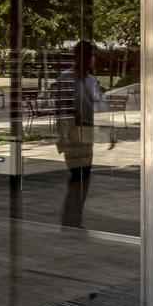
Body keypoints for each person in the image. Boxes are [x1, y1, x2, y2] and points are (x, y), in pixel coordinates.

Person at [56, 40, 104, 228]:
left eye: (90, 56)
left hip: (88, 132)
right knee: (77, 176)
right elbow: (63, 110)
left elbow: (100, 105)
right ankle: (70, 218)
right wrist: (65, 136)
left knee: (85, 176)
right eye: (87, 56)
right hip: (74, 132)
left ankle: (75, 216)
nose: (90, 60)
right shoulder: (66, 79)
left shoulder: (92, 81)